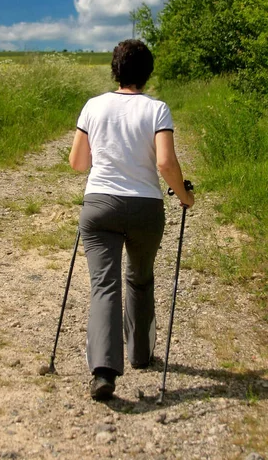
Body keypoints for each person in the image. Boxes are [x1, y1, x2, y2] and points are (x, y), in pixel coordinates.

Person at [69, 39, 195, 401]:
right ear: (147, 73)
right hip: (145, 209)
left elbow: (78, 163)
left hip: (99, 207)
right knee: (139, 279)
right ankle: (141, 354)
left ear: (115, 69)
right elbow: (166, 164)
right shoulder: (157, 110)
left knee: (103, 286)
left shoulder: (93, 106)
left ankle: (104, 371)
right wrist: (185, 197)